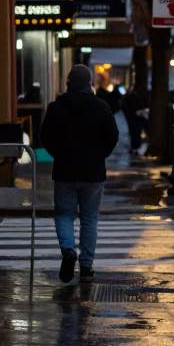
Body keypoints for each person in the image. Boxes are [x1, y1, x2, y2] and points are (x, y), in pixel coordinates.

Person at [39, 64, 119, 284]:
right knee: (89, 218)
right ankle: (86, 265)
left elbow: (44, 136)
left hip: (65, 170)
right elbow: (113, 135)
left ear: (68, 83)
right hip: (93, 171)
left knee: (64, 214)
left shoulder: (56, 107)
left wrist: (59, 154)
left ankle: (68, 249)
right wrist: (99, 155)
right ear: (89, 83)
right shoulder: (100, 106)